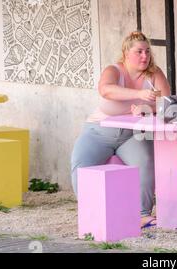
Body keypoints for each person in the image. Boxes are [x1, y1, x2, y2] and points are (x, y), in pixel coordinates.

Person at [71, 31, 171, 228]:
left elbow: (166, 103)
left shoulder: (154, 73)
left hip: (131, 135)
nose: (145, 56)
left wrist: (146, 108)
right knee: (80, 163)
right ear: (126, 53)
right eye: (139, 52)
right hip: (99, 131)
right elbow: (105, 89)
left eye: (148, 51)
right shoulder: (114, 70)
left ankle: (142, 214)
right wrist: (140, 94)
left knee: (146, 162)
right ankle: (91, 211)